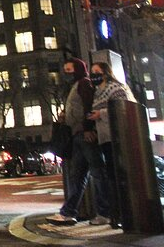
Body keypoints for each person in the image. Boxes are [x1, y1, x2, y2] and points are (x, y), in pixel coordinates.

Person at [47, 57, 110, 226]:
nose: (66, 73)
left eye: (69, 70)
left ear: (78, 69)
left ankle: (104, 213)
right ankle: (69, 213)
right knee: (77, 176)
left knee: (97, 173)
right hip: (77, 135)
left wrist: (89, 127)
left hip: (85, 134)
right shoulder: (75, 86)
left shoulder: (84, 84)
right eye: (65, 70)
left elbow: (90, 105)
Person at [87, 62, 136, 229]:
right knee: (112, 176)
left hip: (118, 137)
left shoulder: (115, 88)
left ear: (106, 73)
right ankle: (117, 214)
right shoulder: (97, 93)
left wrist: (101, 113)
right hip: (104, 138)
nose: (93, 75)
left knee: (120, 175)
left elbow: (123, 108)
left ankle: (125, 214)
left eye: (97, 72)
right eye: (92, 72)